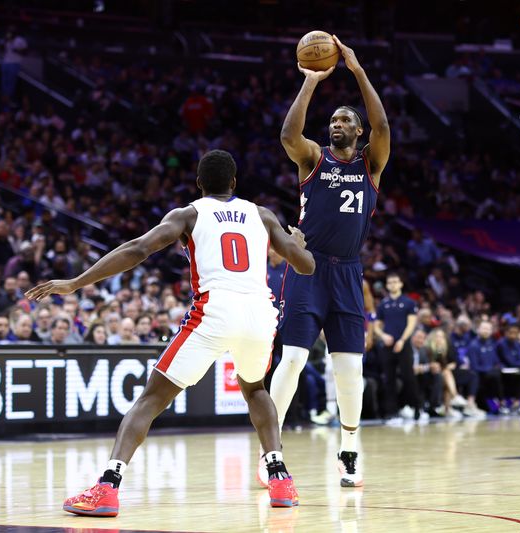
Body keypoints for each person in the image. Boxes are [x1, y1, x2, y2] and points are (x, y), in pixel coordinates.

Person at [25, 150, 315, 515]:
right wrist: (300, 246)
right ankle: (280, 479)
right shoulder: (262, 215)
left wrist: (76, 283)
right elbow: (305, 266)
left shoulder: (188, 214)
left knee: (151, 399)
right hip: (260, 312)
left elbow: (138, 249)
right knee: (255, 389)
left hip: (215, 309)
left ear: (198, 184)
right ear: (235, 183)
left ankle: (107, 486)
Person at [270, 34, 389, 488]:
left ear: (357, 132)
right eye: (333, 119)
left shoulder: (370, 166)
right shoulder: (314, 159)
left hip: (348, 271)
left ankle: (350, 450)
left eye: (344, 120)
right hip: (308, 267)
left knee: (350, 368)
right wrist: (311, 81)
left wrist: (357, 71)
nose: (335, 123)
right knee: (295, 358)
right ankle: (271, 451)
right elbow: (287, 135)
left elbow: (383, 127)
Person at [373, 273, 418, 418]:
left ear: (401, 284)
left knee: (408, 377)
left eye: (395, 281)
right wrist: (383, 335)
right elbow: (376, 326)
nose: (393, 284)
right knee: (389, 378)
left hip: (403, 345)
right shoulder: (383, 304)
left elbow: (412, 324)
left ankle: (415, 408)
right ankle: (391, 412)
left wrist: (402, 340)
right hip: (387, 346)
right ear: (387, 285)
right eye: (390, 282)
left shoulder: (409, 302)